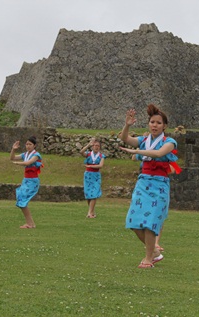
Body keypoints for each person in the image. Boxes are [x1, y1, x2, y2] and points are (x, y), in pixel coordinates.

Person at [119, 104, 181, 268]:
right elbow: (125, 138)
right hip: (143, 182)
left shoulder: (170, 142)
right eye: (152, 122)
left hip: (159, 185)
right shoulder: (144, 140)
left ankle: (148, 259)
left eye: (158, 123)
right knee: (133, 221)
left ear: (164, 126)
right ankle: (154, 251)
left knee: (150, 222)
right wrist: (127, 125)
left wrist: (137, 152)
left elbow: (159, 154)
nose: (155, 125)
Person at [10, 136, 43, 229]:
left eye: (30, 144)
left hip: (32, 181)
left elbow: (28, 163)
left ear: (34, 145)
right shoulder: (25, 154)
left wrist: (18, 164)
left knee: (22, 200)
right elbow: (12, 158)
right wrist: (13, 149)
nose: (28, 146)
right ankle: (30, 223)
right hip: (26, 180)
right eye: (27, 144)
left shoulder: (36, 155)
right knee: (20, 199)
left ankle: (30, 224)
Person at [80, 138, 105, 218]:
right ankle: (92, 212)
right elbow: (81, 152)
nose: (96, 147)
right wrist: (88, 145)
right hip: (88, 175)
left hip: (96, 175)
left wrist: (90, 166)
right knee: (88, 194)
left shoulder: (101, 156)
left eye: (98, 146)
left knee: (94, 193)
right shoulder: (88, 154)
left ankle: (89, 213)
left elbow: (100, 165)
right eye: (95, 145)